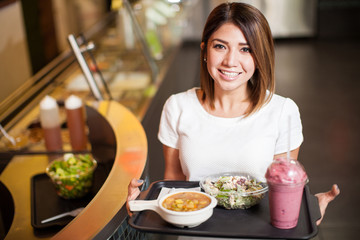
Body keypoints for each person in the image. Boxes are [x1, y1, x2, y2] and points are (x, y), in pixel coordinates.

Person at [127, 2, 339, 225]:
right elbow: (174, 186)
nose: (230, 61)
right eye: (220, 46)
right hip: (194, 233)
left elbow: (283, 186)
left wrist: (307, 210)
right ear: (205, 50)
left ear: (259, 57)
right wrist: (143, 204)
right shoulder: (178, 107)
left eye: (245, 49)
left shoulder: (282, 111)